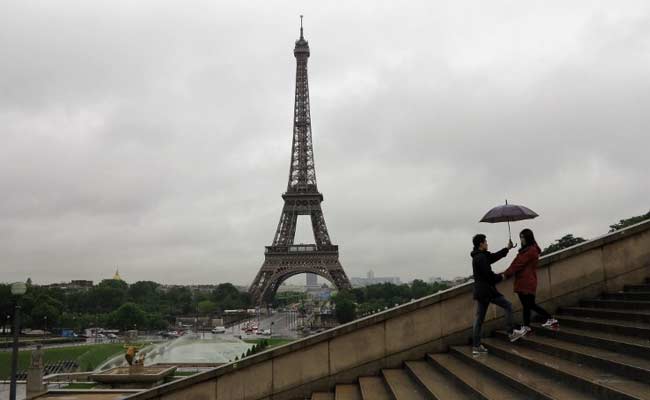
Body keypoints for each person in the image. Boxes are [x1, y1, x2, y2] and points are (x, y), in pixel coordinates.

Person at [471, 234, 526, 356]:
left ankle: (476, 346)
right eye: (485, 241)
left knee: (479, 320)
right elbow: (489, 276)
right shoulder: (481, 258)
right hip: (487, 291)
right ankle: (511, 332)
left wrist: (507, 248)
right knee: (508, 306)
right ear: (481, 244)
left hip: (481, 292)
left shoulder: (479, 256)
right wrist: (501, 277)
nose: (487, 243)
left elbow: (494, 257)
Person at [502, 229, 558, 333]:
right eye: (520, 237)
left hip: (526, 281)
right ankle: (544, 321)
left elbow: (518, 264)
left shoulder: (530, 251)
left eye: (522, 237)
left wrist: (505, 274)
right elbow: (518, 263)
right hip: (526, 281)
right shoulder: (528, 250)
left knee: (528, 305)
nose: (521, 239)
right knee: (529, 305)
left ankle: (541, 322)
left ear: (528, 237)